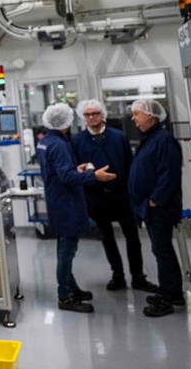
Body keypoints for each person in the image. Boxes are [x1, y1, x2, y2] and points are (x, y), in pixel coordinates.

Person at [37, 102, 116, 313]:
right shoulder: (60, 144)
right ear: (67, 120)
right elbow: (66, 176)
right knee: (67, 251)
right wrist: (94, 176)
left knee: (64, 247)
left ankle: (71, 287)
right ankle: (65, 296)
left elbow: (59, 170)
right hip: (66, 203)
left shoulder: (46, 141)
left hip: (57, 201)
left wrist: (77, 168)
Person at [73, 99, 157, 292]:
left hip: (121, 195)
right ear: (82, 117)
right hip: (96, 197)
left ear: (103, 115)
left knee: (132, 237)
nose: (92, 117)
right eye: (87, 115)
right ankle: (117, 274)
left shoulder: (118, 136)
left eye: (95, 113)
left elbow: (130, 165)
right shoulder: (78, 141)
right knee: (107, 237)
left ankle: (138, 276)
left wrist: (133, 193)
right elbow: (76, 169)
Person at [128, 99, 184, 317]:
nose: (133, 118)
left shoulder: (164, 140)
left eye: (137, 114)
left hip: (159, 207)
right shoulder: (150, 139)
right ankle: (171, 291)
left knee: (161, 250)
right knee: (161, 249)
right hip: (150, 206)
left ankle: (169, 296)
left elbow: (169, 174)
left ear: (151, 116)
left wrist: (155, 200)